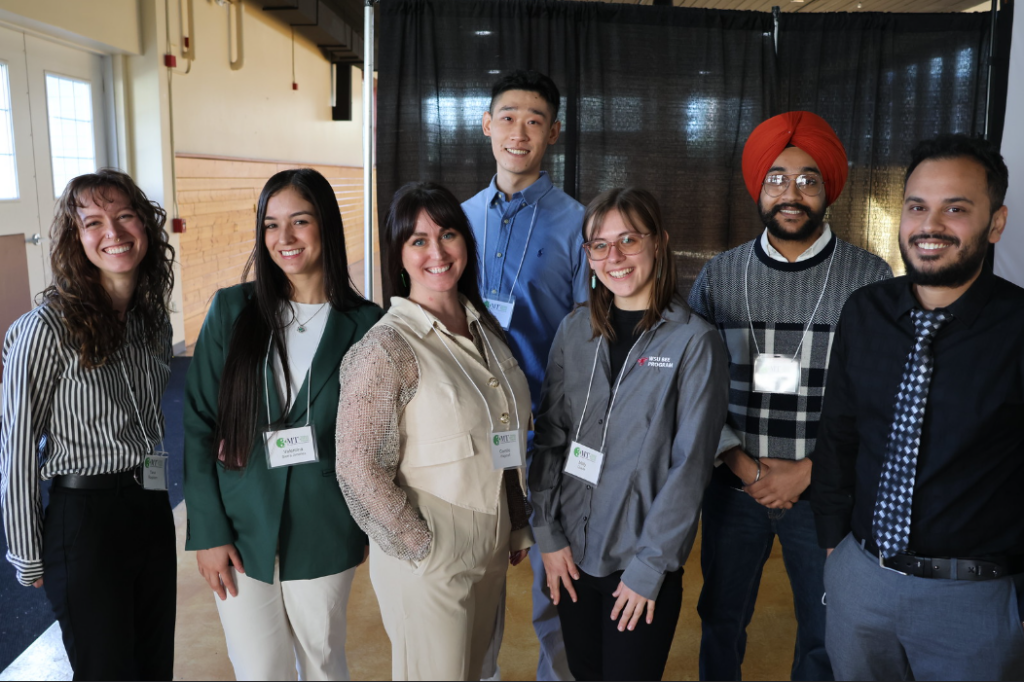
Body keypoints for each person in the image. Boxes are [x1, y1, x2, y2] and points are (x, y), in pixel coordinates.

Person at [688, 111, 892, 681]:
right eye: (777, 177)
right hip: (734, 488)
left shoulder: (868, 278)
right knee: (721, 617)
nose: (791, 192)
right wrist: (744, 466)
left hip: (824, 493)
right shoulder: (719, 276)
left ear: (828, 189)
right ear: (758, 187)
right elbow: (694, 389)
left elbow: (879, 400)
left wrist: (808, 471)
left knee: (825, 630)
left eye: (808, 179)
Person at [811, 135, 1024, 680]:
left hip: (973, 597)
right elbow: (838, 433)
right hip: (863, 576)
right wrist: (835, 545)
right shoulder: (865, 310)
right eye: (917, 207)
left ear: (994, 223)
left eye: (956, 208)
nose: (931, 225)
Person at [183, 168, 381, 681]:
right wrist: (207, 532)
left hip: (325, 525)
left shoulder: (367, 324)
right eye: (271, 225)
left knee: (322, 661)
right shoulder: (232, 309)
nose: (284, 238)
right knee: (259, 669)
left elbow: (377, 437)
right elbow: (200, 422)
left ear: (327, 226)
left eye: (299, 221)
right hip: (240, 528)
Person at [335, 181, 534, 682]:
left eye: (447, 234)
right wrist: (419, 548)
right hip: (430, 551)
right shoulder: (385, 348)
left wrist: (516, 520)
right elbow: (356, 466)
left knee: (477, 672)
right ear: (399, 255)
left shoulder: (484, 327)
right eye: (418, 240)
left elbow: (504, 431)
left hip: (492, 544)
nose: (437, 252)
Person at [531, 187, 730, 681]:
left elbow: (690, 467)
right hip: (570, 557)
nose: (613, 257)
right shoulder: (574, 330)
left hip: (639, 567)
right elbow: (551, 438)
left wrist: (649, 571)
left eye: (628, 240)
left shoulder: (694, 341)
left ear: (659, 243)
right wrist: (547, 535)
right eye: (599, 244)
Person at [0, 170, 176, 680]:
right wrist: (27, 553)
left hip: (149, 506)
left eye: (124, 216)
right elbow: (15, 446)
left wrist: (157, 498)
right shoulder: (44, 329)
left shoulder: (150, 320)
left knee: (153, 668)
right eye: (93, 222)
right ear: (75, 239)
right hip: (85, 523)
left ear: (145, 224)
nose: (114, 233)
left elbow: (149, 425)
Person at [462, 68, 587, 682]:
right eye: (507, 117)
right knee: (473, 589)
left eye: (535, 120)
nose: (519, 131)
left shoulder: (579, 225)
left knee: (554, 590)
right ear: (487, 126)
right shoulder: (453, 222)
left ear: (554, 133)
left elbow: (593, 338)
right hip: (467, 439)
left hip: (546, 440)